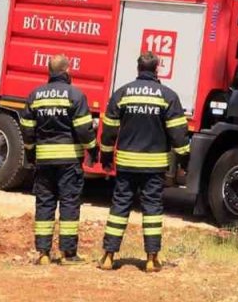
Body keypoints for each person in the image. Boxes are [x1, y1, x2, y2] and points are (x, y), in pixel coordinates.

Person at [97, 51, 190, 272]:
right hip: (154, 166)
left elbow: (109, 130)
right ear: (156, 69)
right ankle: (151, 259)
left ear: (138, 69)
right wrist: (185, 160)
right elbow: (178, 134)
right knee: (152, 211)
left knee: (119, 207)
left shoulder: (122, 93)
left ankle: (109, 257)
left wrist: (106, 157)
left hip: (127, 164)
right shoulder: (168, 96)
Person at [20, 54, 97, 266]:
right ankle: (67, 253)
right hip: (69, 161)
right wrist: (93, 150)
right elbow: (83, 128)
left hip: (44, 160)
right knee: (69, 204)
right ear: (67, 71)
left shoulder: (35, 95)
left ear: (49, 72)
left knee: (44, 203)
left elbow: (27, 129)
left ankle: (43, 253)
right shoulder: (75, 95)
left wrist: (30, 152)